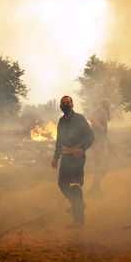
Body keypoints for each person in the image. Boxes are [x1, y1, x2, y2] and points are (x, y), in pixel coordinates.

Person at [51, 95, 95, 226]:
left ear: (72, 104)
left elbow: (90, 136)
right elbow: (59, 140)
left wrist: (82, 148)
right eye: (63, 104)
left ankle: (79, 219)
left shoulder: (80, 119)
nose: (66, 105)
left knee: (75, 186)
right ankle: (79, 204)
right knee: (62, 184)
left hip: (77, 157)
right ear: (61, 107)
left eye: (68, 103)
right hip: (65, 157)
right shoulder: (61, 121)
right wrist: (55, 157)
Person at [89, 100, 110, 194]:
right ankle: (95, 188)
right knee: (101, 165)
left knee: (102, 166)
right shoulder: (101, 111)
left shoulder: (102, 112)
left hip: (100, 142)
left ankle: (95, 187)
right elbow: (92, 118)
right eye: (108, 105)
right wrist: (101, 128)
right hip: (98, 142)